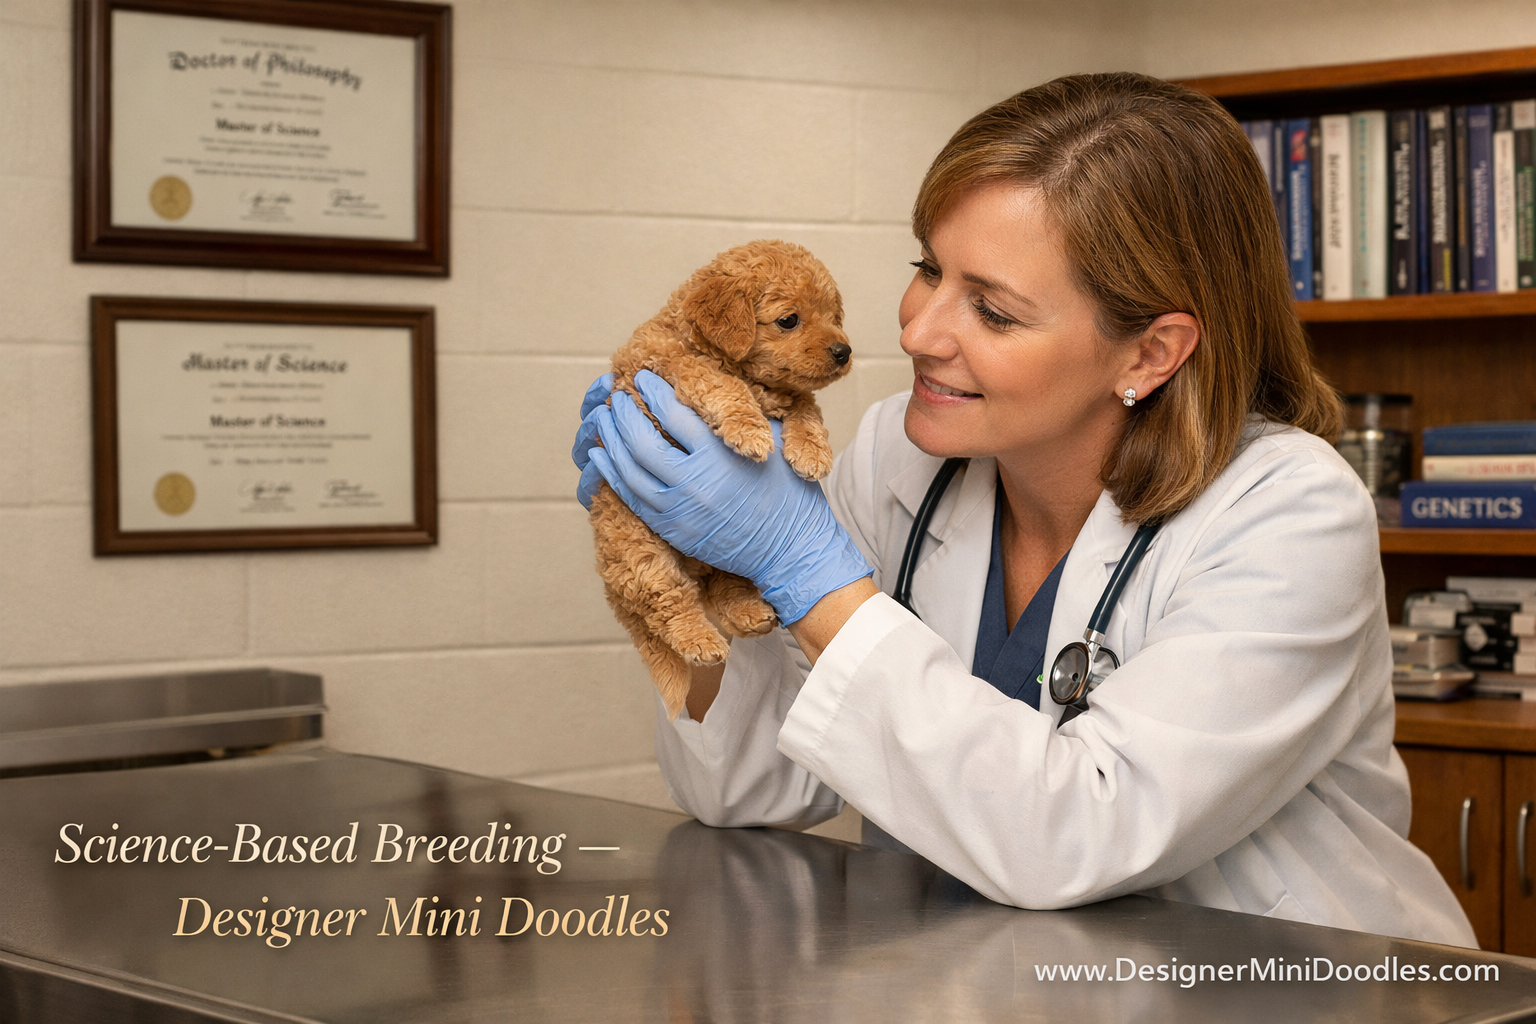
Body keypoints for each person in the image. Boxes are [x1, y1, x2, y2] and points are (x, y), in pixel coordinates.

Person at [572, 72, 1476, 946]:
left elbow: (1073, 834)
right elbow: (741, 786)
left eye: (993, 312)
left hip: (1288, 989)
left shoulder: (1289, 511)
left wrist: (810, 576)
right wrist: (696, 575)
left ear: (1150, 352)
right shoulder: (904, 455)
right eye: (929, 270)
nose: (918, 332)